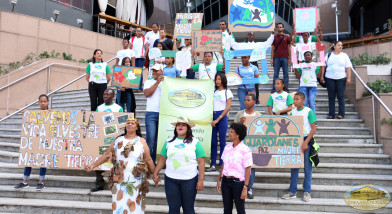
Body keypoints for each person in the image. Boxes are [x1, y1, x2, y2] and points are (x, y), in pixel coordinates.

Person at [85, 117, 155, 213]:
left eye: (132, 123)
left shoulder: (141, 141)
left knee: (134, 205)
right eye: (128, 123)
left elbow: (149, 159)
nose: (129, 124)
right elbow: (106, 155)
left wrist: (155, 174)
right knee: (119, 204)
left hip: (136, 180)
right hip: (119, 178)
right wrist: (93, 165)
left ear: (137, 127)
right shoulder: (119, 139)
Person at [153, 116, 205, 214]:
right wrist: (155, 172)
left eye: (183, 125)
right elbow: (162, 159)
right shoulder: (168, 142)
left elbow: (201, 162)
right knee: (173, 209)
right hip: (171, 180)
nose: (180, 127)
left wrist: (201, 180)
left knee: (188, 208)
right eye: (178, 125)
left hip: (189, 180)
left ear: (188, 128)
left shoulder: (196, 142)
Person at [282, 92, 317, 202]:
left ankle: (307, 192)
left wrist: (306, 142)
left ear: (303, 100)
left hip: (306, 140)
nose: (295, 101)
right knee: (294, 167)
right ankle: (292, 191)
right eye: (294, 99)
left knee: (307, 168)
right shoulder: (292, 112)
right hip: (295, 141)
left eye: (297, 99)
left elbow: (313, 128)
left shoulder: (308, 111)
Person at [14, 94, 50, 191]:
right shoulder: (34, 114)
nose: (43, 103)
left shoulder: (52, 113)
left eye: (45, 101)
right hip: (34, 140)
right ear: (38, 103)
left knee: (43, 160)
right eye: (41, 101)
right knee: (28, 159)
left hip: (44, 141)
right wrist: (26, 114)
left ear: (48, 102)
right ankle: (25, 181)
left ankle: (41, 182)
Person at [91, 88, 124, 192]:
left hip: (114, 140)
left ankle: (114, 182)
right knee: (98, 160)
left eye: (108, 94)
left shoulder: (118, 108)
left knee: (114, 162)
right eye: (104, 94)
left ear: (113, 96)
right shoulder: (99, 108)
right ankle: (99, 182)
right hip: (101, 139)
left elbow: (121, 124)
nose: (105, 96)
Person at [216, 123, 252, 214]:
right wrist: (219, 179)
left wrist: (245, 187)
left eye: (231, 132)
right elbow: (224, 164)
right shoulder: (227, 147)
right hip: (225, 181)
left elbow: (248, 169)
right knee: (227, 209)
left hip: (238, 183)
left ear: (237, 135)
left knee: (240, 209)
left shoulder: (245, 149)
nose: (229, 133)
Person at [233, 94, 261, 199]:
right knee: (239, 166)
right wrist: (240, 123)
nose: (246, 102)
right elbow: (233, 130)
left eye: (248, 100)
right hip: (241, 145)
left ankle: (249, 188)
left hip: (253, 146)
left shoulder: (258, 114)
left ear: (254, 102)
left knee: (251, 168)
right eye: (245, 100)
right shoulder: (239, 114)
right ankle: (240, 187)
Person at [206, 73, 233, 172]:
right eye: (216, 79)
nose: (217, 81)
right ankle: (213, 164)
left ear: (223, 80)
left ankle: (222, 165)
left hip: (222, 118)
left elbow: (228, 107)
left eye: (219, 79)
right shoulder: (213, 92)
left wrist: (218, 119)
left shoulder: (227, 92)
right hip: (212, 117)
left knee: (222, 142)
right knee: (213, 143)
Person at [320, 41, 352, 119]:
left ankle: (341, 114)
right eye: (339, 45)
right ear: (334, 46)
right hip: (329, 78)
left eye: (341, 45)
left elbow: (348, 68)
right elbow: (323, 66)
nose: (340, 46)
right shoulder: (329, 55)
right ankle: (331, 114)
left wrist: (349, 78)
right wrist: (322, 76)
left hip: (341, 78)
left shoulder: (344, 56)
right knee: (331, 97)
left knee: (340, 96)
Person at [243, 31, 275, 104]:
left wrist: (272, 34)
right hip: (246, 64)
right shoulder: (244, 45)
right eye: (249, 35)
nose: (251, 36)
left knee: (256, 82)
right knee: (246, 81)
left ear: (254, 36)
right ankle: (247, 99)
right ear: (248, 36)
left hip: (254, 64)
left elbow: (267, 43)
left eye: (252, 35)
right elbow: (235, 46)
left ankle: (256, 99)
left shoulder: (258, 45)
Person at [144, 64, 164, 162]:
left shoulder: (167, 81)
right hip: (151, 113)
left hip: (163, 114)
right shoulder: (148, 82)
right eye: (153, 70)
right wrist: (157, 83)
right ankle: (148, 161)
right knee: (150, 139)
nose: (154, 72)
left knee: (158, 140)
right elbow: (147, 94)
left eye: (156, 70)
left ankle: (154, 161)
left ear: (162, 71)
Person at [271, 23, 291, 93]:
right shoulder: (274, 37)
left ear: (283, 28)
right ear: (276, 29)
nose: (279, 28)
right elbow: (272, 48)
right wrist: (271, 59)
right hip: (276, 58)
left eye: (280, 27)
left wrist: (289, 58)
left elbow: (289, 47)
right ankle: (274, 89)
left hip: (285, 58)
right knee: (275, 75)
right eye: (278, 27)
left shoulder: (287, 37)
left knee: (286, 75)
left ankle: (286, 89)